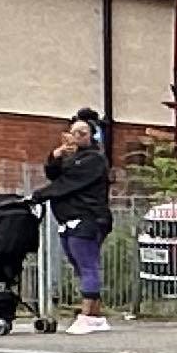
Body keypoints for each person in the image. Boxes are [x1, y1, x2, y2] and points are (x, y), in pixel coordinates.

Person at [44, 109, 116, 334]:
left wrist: (40, 195)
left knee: (87, 265)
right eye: (73, 132)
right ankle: (96, 315)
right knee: (79, 265)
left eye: (82, 133)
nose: (76, 137)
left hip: (87, 218)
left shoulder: (94, 160)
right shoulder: (72, 159)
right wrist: (55, 156)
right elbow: (55, 175)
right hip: (69, 219)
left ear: (92, 135)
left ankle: (86, 316)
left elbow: (68, 183)